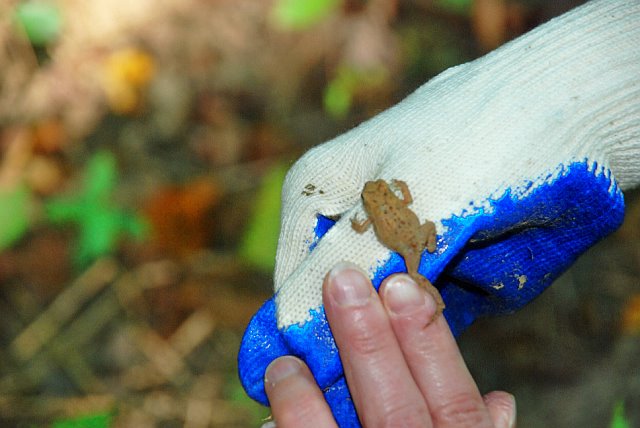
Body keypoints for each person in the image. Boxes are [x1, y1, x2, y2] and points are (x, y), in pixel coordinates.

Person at [238, 0, 639, 425]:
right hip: (412, 238)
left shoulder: (378, 209)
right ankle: (426, 293)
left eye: (376, 193)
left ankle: (424, 293)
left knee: (410, 276)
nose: (374, 195)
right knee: (415, 271)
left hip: (411, 239)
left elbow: (373, 214)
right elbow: (383, 209)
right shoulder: (381, 207)